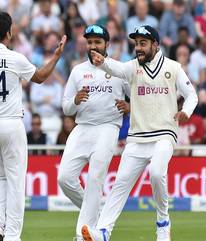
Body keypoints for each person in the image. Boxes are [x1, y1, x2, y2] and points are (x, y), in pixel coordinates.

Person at [81, 25, 198, 241]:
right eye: (136, 44)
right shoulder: (132, 67)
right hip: (137, 138)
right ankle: (103, 231)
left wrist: (186, 112)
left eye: (143, 44)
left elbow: (192, 95)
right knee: (120, 184)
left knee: (156, 173)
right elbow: (115, 68)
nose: (138, 48)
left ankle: (163, 222)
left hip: (164, 134)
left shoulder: (173, 67)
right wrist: (101, 61)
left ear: (155, 44)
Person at [0, 11, 66, 241]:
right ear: (8, 33)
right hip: (10, 124)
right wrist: (56, 57)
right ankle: (13, 235)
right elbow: (41, 77)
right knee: (15, 182)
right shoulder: (14, 57)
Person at [57, 24, 130, 241]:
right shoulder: (78, 71)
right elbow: (66, 108)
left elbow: (137, 97)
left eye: (97, 42)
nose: (93, 46)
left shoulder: (118, 69)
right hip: (83, 127)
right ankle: (96, 216)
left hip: (108, 127)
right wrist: (75, 101)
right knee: (65, 177)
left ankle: (82, 235)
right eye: (89, 42)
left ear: (107, 44)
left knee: (95, 178)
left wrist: (130, 107)